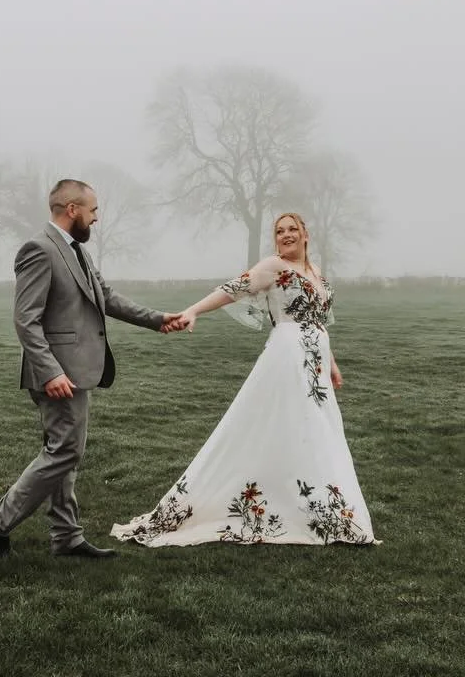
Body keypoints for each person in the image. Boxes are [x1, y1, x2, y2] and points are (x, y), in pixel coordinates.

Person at [111, 212, 378, 547]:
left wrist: (332, 363)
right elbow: (231, 289)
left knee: (316, 429)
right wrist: (192, 311)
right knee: (298, 424)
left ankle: (322, 508)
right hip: (289, 355)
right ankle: (304, 508)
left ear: (306, 234)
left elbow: (318, 320)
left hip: (316, 361)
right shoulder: (273, 266)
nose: (286, 235)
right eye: (279, 231)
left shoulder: (315, 272)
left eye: (292, 229)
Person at [0, 179, 186, 559]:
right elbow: (26, 320)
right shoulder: (39, 250)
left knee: (63, 452)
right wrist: (50, 371)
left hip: (75, 370)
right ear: (72, 209)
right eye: (93, 210)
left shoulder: (76, 251)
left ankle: (66, 537)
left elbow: (107, 298)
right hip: (56, 373)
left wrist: (157, 319)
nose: (97, 217)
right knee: (65, 451)